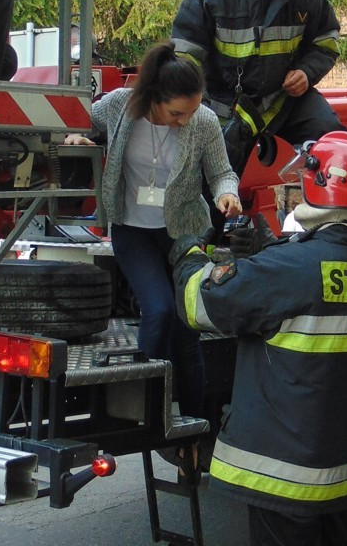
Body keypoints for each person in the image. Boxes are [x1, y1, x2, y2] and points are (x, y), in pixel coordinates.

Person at [169, 132, 347, 545]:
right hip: (339, 470)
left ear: (318, 183)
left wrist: (189, 255)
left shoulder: (291, 267)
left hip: (282, 473)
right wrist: (272, 251)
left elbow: (200, 305)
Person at [65, 40, 240, 429]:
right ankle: (144, 411)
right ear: (154, 98)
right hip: (132, 229)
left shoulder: (203, 121)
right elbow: (79, 121)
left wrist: (228, 193)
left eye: (192, 110)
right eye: (177, 112)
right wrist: (80, 138)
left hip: (183, 233)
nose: (185, 120)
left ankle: (192, 428)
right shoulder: (120, 106)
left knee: (185, 328)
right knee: (159, 309)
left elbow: (221, 172)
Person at [171, 0, 345, 178]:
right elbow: (186, 51)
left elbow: (326, 42)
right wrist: (192, 103)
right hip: (224, 106)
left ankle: (329, 216)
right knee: (212, 183)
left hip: (282, 101)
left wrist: (306, 71)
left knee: (335, 144)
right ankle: (212, 220)